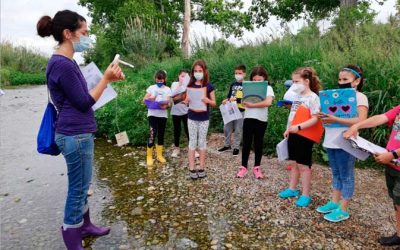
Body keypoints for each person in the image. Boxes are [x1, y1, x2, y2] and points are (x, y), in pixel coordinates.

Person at [37, 10, 124, 249]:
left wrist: (108, 78)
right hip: (74, 135)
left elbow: (80, 97)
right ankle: (73, 239)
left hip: (77, 133)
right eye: (84, 32)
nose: (87, 37)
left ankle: (84, 226)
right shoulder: (62, 64)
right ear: (68, 34)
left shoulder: (66, 62)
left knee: (82, 185)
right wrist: (105, 79)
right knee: (77, 190)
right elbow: (84, 102)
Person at [316, 65, 369, 222]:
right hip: (330, 140)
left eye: (345, 79)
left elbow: (361, 120)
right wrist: (322, 115)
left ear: (357, 81)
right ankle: (334, 202)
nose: (341, 82)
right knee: (336, 173)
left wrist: (335, 119)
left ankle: (344, 209)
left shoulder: (360, 97)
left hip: (346, 141)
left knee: (346, 175)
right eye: (339, 79)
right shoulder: (333, 95)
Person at [344, 105, 400, 247]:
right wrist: (358, 125)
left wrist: (393, 154)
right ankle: (399, 235)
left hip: (393, 158)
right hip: (393, 165)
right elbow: (381, 118)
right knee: (397, 202)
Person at [278, 67, 322, 207]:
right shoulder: (296, 97)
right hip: (293, 133)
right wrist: (288, 129)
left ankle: (306, 194)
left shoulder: (313, 98)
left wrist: (299, 127)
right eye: (293, 82)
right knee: (294, 163)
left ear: (306, 81)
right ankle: (292, 189)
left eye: (297, 81)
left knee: (304, 165)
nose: (294, 84)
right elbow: (293, 115)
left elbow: (315, 118)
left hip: (304, 135)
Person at [236, 66, 274, 179]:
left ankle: (257, 167)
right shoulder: (246, 87)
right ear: (251, 79)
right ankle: (243, 167)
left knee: (258, 143)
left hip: (261, 119)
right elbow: (241, 102)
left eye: (259, 80)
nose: (257, 82)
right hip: (248, 118)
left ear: (264, 79)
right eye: (254, 80)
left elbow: (268, 102)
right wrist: (242, 103)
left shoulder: (268, 88)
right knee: (246, 143)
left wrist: (253, 105)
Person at [183, 59, 216, 179]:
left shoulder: (209, 86)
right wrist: (186, 101)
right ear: (192, 72)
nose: (198, 72)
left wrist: (208, 101)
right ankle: (192, 168)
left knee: (202, 142)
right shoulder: (190, 86)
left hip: (204, 118)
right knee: (192, 142)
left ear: (204, 71)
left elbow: (214, 103)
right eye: (195, 71)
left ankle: (202, 167)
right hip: (191, 117)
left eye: (200, 70)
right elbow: (186, 101)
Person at [143, 70, 172, 166]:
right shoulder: (151, 88)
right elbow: (144, 100)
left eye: (161, 80)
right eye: (158, 80)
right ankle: (149, 156)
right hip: (152, 114)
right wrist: (150, 98)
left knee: (161, 134)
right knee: (152, 134)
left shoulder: (167, 89)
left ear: (164, 79)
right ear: (155, 79)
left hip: (162, 115)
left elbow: (169, 102)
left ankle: (159, 155)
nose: (159, 82)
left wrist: (166, 106)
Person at [218, 64, 246, 156]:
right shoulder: (233, 84)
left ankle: (236, 147)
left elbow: (247, 99)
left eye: (240, 73)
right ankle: (227, 145)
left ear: (244, 74)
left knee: (238, 130)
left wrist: (236, 100)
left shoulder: (247, 85)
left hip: (241, 110)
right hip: (231, 109)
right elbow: (229, 96)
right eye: (236, 73)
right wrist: (226, 100)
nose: (237, 74)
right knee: (227, 128)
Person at [170, 69, 190, 158]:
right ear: (178, 76)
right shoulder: (174, 84)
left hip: (186, 111)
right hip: (175, 112)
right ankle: (176, 148)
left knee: (188, 129)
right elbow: (172, 95)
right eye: (182, 76)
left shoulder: (189, 86)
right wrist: (180, 85)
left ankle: (192, 148)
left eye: (185, 77)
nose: (183, 78)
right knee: (177, 130)